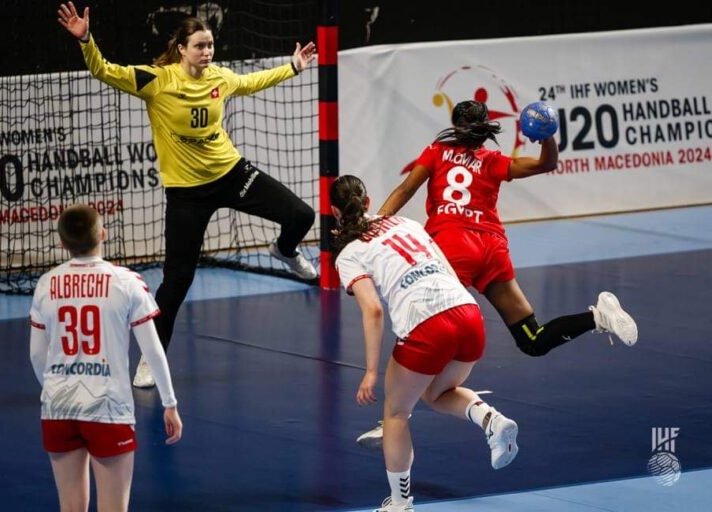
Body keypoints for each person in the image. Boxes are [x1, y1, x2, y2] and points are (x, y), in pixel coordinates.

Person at [57, 2, 318, 388]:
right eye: (199, 46)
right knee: (176, 282)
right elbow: (104, 70)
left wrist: (292, 67)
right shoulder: (157, 81)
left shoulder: (220, 78)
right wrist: (86, 40)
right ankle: (151, 359)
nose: (207, 51)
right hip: (187, 195)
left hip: (231, 174)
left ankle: (283, 250)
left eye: (210, 45)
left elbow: (252, 82)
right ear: (181, 49)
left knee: (301, 215)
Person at [356, 99, 638, 449]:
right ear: (484, 127)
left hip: (451, 247)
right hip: (490, 250)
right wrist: (547, 135)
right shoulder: (493, 160)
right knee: (532, 339)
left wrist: (376, 224)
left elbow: (406, 189)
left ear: (454, 125)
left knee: (423, 327)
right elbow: (547, 163)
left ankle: (393, 419)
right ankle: (597, 317)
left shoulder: (436, 152)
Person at [332, 175, 519, 512]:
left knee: (395, 412)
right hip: (468, 315)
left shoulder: (349, 253)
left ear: (334, 212)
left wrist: (371, 371)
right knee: (436, 393)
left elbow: (373, 310)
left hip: (426, 326)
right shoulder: (407, 223)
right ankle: (491, 420)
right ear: (369, 202)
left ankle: (400, 503)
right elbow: (447, 271)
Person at [29, 204, 183, 512]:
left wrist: (55, 389)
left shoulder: (46, 283)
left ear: (62, 243)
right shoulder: (126, 282)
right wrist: (169, 403)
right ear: (103, 234)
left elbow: (36, 353)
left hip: (58, 409)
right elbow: (152, 349)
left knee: (70, 507)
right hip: (108, 409)